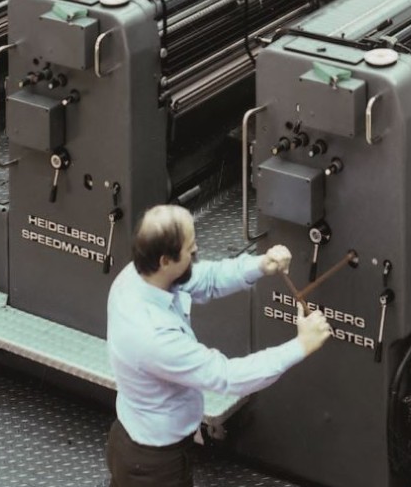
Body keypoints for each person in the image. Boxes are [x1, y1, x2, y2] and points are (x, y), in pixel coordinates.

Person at [105, 204, 333, 487]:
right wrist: (301, 345)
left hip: (139, 443)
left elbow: (206, 279)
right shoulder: (152, 336)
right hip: (154, 466)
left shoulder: (140, 275)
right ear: (165, 260)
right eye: (190, 249)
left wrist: (260, 265)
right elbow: (228, 377)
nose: (196, 250)